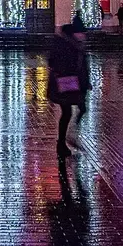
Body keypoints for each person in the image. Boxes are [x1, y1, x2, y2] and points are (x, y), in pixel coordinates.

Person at [48, 14, 92, 157]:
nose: (84, 36)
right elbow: (78, 66)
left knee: (70, 111)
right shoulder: (72, 44)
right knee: (70, 111)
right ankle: (67, 138)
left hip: (67, 83)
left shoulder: (68, 43)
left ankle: (65, 141)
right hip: (68, 83)